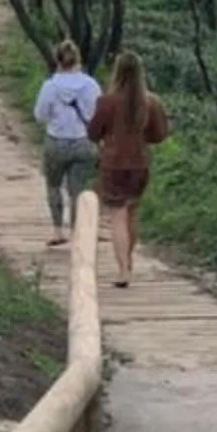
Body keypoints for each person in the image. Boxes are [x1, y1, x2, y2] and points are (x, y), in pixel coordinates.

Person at [88, 49, 170, 286]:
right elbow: (160, 134)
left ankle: (123, 269)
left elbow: (93, 132)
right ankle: (128, 259)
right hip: (140, 164)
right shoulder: (151, 102)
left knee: (117, 217)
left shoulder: (107, 102)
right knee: (131, 214)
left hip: (113, 165)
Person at [32, 39, 101, 243]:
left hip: (56, 141)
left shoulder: (50, 86)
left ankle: (57, 230)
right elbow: (98, 113)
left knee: (53, 186)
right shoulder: (91, 85)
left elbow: (40, 115)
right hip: (83, 142)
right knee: (78, 190)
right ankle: (76, 230)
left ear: (57, 60)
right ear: (78, 59)